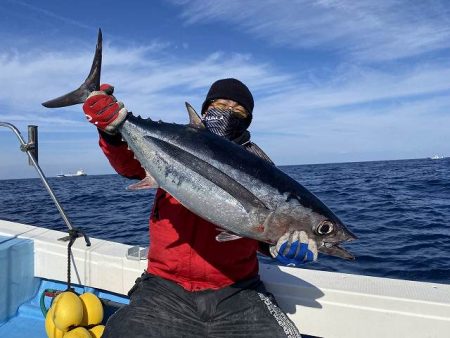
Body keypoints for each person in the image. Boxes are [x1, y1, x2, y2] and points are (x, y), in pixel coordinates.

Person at [82, 78, 318, 337]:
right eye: (220, 103)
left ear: (247, 120)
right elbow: (129, 166)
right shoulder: (177, 140)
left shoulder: (259, 164)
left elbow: (259, 222)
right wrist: (111, 131)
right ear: (205, 110)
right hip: (163, 287)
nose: (228, 111)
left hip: (238, 290)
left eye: (238, 109)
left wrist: (275, 246)